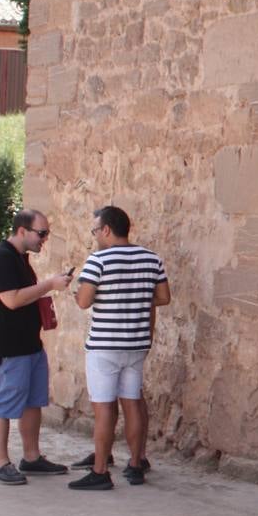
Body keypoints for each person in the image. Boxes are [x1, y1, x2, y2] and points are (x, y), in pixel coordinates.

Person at [67, 206, 171, 490]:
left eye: (95, 230)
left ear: (107, 230)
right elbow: (163, 297)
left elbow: (84, 301)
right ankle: (136, 463)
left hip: (105, 345)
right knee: (132, 403)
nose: (95, 235)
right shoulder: (152, 259)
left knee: (103, 409)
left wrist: (80, 292)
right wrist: (134, 299)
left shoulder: (97, 260)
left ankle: (100, 471)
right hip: (136, 343)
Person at [0, 209, 73, 485]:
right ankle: (0, 463)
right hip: (7, 348)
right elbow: (11, 300)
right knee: (3, 405)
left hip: (29, 345)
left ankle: (31, 458)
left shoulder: (19, 258)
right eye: (41, 233)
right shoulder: (1, 258)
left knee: (34, 403)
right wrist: (49, 284)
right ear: (22, 231)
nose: (44, 239)